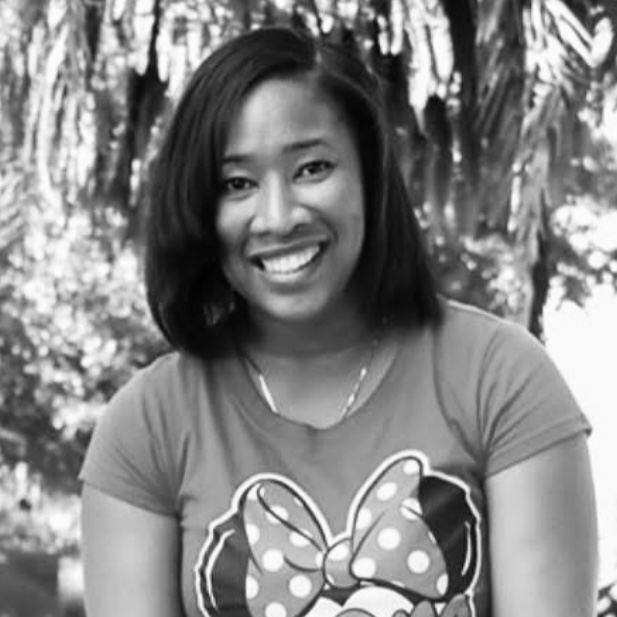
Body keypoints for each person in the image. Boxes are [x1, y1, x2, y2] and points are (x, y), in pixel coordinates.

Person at [80, 26, 598, 617]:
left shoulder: (501, 379)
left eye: (312, 168)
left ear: (371, 177)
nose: (278, 218)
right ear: (200, 206)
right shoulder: (147, 426)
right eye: (237, 184)